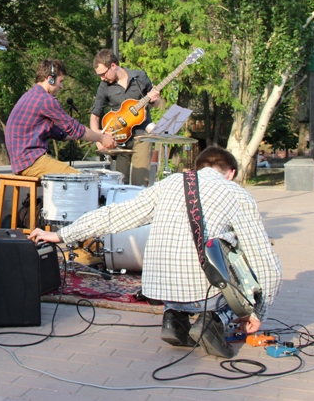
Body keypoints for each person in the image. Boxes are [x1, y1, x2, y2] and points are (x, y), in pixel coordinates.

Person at [29, 147, 282, 358]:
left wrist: (61, 235)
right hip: (206, 294)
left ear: (197, 167)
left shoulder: (169, 184)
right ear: (231, 173)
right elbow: (263, 259)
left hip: (160, 290)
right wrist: (257, 312)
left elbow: (115, 215)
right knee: (239, 253)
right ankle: (213, 321)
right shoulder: (236, 194)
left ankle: (174, 318)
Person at [5, 59, 117, 178]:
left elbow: (59, 133)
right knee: (81, 180)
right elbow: (74, 129)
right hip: (31, 161)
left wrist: (94, 133)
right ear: (50, 79)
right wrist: (101, 138)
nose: (62, 86)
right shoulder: (46, 100)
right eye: (61, 81)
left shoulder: (30, 95)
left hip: (21, 161)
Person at [90, 49, 162, 186]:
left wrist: (155, 99)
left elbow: (156, 103)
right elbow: (95, 115)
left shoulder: (140, 76)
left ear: (113, 66)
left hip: (141, 136)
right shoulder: (104, 85)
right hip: (118, 138)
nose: (102, 78)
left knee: (140, 182)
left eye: (103, 74)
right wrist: (98, 139)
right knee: (119, 183)